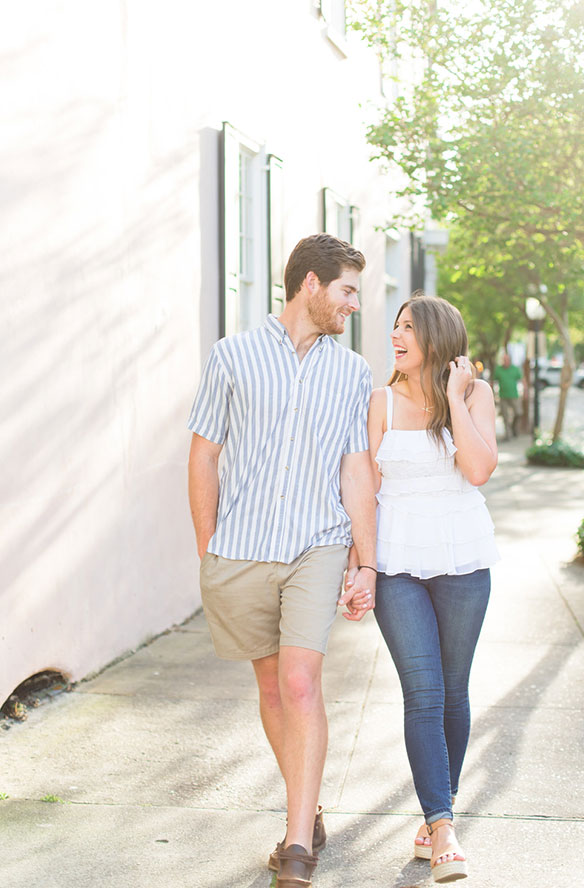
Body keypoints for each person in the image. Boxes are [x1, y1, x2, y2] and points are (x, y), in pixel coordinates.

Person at [187, 234, 377, 888]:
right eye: (348, 290)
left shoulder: (352, 372)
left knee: (300, 683)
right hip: (241, 549)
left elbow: (357, 470)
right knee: (270, 689)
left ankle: (297, 845)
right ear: (312, 285)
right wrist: (209, 545)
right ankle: (309, 802)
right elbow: (204, 453)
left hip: (316, 544)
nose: (355, 305)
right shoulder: (231, 357)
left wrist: (364, 561)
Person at [346, 293, 499, 883]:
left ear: (438, 337)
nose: (396, 335)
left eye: (409, 327)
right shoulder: (379, 401)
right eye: (396, 326)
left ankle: (439, 811)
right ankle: (443, 829)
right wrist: (361, 564)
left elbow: (479, 469)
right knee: (425, 694)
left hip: (463, 559)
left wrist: (457, 398)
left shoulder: (475, 395)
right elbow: (366, 484)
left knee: (454, 693)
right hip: (398, 563)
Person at [492, 353, 522, 439]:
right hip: (503, 396)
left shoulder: (515, 369)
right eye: (504, 360)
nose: (505, 361)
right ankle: (508, 435)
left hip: (514, 395)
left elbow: (522, 379)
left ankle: (513, 428)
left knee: (518, 413)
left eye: (507, 360)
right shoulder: (498, 369)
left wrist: (526, 391)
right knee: (505, 416)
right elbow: (493, 381)